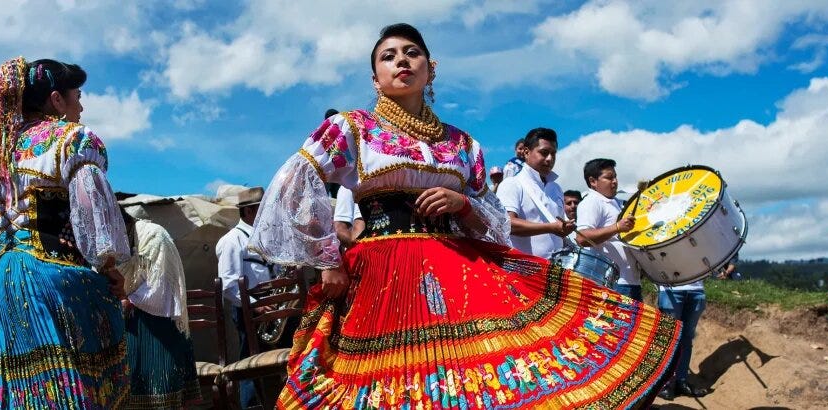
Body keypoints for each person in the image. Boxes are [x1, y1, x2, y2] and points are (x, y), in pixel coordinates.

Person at [248, 23, 680, 409]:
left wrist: (464, 204)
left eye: (412, 53)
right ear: (375, 79)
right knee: (387, 381)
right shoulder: (351, 128)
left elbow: (494, 221)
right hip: (382, 270)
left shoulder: (463, 145)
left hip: (459, 265)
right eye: (388, 56)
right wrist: (326, 261)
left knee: (483, 375)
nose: (402, 60)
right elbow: (294, 185)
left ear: (430, 70)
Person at [0, 57, 131, 408]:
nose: (81, 104)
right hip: (52, 278)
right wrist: (110, 270)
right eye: (77, 94)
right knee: (73, 384)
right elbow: (93, 221)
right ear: (56, 99)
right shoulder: (73, 140)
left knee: (15, 391)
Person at [117, 210, 201, 408]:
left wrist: (128, 300)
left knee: (161, 393)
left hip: (159, 327)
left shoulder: (154, 236)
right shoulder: (113, 243)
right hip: (128, 327)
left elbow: (160, 286)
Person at [216, 186, 275, 407]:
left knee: (272, 365)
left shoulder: (264, 237)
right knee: (250, 363)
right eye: (262, 209)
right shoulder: (232, 240)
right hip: (249, 310)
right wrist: (256, 306)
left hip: (271, 306)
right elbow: (229, 285)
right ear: (249, 212)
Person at [496, 127, 575, 259]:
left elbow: (560, 226)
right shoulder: (512, 184)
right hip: (521, 271)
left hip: (554, 272)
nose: (550, 159)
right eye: (544, 153)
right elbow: (507, 224)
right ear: (526, 152)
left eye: (553, 154)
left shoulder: (556, 189)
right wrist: (551, 227)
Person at [575, 158, 642, 301]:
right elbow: (581, 237)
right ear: (593, 181)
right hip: (613, 285)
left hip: (630, 282)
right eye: (609, 177)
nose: (615, 181)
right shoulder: (591, 202)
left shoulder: (617, 203)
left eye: (615, 177)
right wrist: (617, 227)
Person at [656, 277, 709, 400]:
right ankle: (665, 384)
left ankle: (681, 381)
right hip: (670, 288)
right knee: (669, 339)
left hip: (697, 289)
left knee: (686, 338)